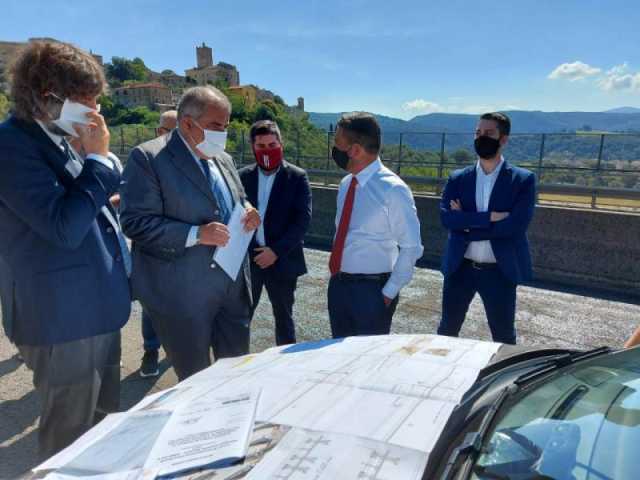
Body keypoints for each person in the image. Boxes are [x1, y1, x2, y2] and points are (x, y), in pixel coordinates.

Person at [0, 40, 131, 459]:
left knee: (104, 425)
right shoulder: (10, 146)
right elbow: (62, 226)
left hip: (95, 310)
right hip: (61, 320)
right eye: (85, 101)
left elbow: (77, 206)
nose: (95, 112)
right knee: (69, 441)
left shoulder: (57, 138)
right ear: (47, 96)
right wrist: (101, 162)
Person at [120, 86, 260, 381]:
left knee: (235, 376)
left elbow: (239, 197)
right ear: (187, 123)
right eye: (215, 126)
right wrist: (196, 233)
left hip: (232, 289)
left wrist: (248, 210)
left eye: (225, 126)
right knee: (195, 382)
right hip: (183, 295)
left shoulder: (223, 158)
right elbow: (135, 222)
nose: (222, 134)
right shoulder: (148, 158)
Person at [438, 112, 535, 345]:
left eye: (489, 133)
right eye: (478, 132)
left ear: (504, 139)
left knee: (503, 336)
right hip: (460, 268)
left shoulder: (522, 180)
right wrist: (489, 218)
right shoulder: (458, 178)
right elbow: (447, 220)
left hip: (499, 271)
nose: (482, 137)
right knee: (447, 330)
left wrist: (467, 223)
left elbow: (515, 226)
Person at [328, 112, 423, 338]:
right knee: (338, 355)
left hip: (372, 292)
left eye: (338, 143)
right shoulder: (346, 184)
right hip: (339, 286)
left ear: (355, 150)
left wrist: (388, 293)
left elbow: (411, 247)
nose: (334, 149)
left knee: (368, 357)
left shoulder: (393, 189)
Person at [238, 120, 312, 345]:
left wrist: (275, 251)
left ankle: (285, 363)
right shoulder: (241, 176)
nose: (267, 150)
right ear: (253, 147)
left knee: (284, 317)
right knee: (241, 317)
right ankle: (235, 361)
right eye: (261, 146)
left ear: (281, 143)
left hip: (283, 260)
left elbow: (302, 221)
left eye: (272, 144)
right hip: (249, 260)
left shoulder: (297, 177)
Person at [138, 110, 177, 378]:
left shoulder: (194, 161)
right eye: (168, 131)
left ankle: (176, 347)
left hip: (185, 248)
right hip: (152, 248)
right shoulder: (143, 160)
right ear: (158, 132)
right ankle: (151, 351)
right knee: (150, 305)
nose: (173, 138)